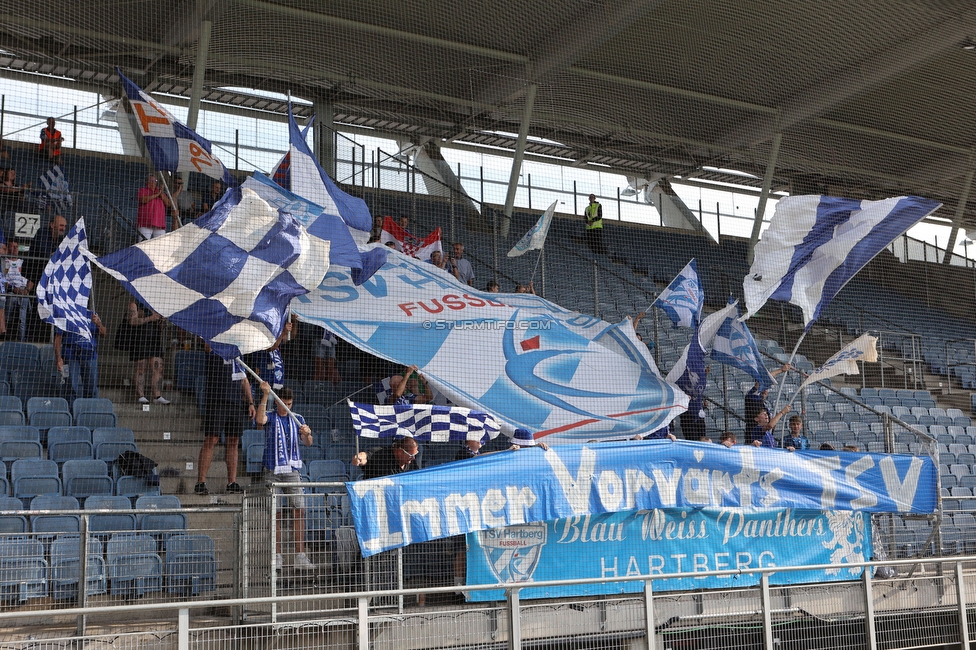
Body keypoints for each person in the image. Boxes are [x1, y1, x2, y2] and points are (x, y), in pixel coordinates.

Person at [255, 382, 315, 571]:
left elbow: (308, 443)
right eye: (283, 403)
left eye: (289, 404)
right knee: (276, 514)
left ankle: (300, 555)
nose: (286, 407)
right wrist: (265, 395)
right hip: (273, 469)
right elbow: (259, 420)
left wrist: (308, 434)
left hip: (292, 470)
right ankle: (277, 556)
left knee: (299, 510)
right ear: (277, 401)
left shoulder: (297, 418)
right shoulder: (271, 416)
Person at [196, 346, 253, 495]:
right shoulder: (214, 346)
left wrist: (251, 402)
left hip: (235, 402)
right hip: (217, 400)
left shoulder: (239, 352)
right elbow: (207, 345)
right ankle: (201, 482)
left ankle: (232, 482)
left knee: (233, 441)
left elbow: (244, 379)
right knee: (212, 439)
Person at [24, 214, 66, 341]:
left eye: (64, 226)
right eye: (60, 225)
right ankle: (30, 340)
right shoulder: (42, 233)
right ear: (52, 225)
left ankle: (45, 339)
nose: (63, 228)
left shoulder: (60, 239)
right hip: (34, 278)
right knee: (35, 312)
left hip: (49, 283)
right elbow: (43, 252)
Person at [54, 311, 106, 402]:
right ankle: (71, 412)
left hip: (90, 356)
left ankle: (89, 412)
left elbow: (104, 333)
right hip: (69, 356)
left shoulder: (92, 314)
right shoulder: (65, 313)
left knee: (92, 387)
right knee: (69, 386)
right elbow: (58, 338)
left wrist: (98, 323)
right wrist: (58, 358)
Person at [127, 299, 169, 404]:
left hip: (154, 340)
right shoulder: (135, 304)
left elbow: (162, 327)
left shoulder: (157, 305)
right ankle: (141, 395)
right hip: (139, 340)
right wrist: (150, 318)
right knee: (141, 368)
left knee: (158, 367)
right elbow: (132, 321)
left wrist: (162, 321)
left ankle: (158, 396)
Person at [351, 436, 420, 480]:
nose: (413, 458)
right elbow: (366, 456)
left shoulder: (411, 463)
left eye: (415, 454)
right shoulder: (380, 455)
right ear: (400, 451)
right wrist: (359, 458)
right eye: (410, 455)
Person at [136, 175, 171, 240]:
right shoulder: (143, 190)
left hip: (159, 223)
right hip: (145, 222)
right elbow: (143, 200)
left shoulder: (161, 193)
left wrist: (160, 194)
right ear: (147, 182)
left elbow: (168, 203)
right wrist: (157, 194)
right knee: (143, 243)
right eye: (151, 181)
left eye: (155, 181)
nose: (153, 182)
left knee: (161, 244)